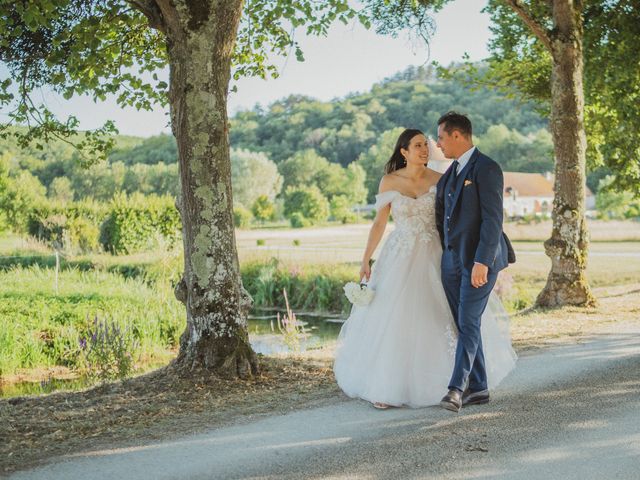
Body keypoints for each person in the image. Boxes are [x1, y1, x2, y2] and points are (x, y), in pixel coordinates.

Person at [333, 127, 516, 409]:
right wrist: (365, 258)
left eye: (426, 145)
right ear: (404, 151)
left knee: (444, 316)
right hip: (400, 255)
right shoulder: (389, 181)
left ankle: (456, 382)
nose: (425, 149)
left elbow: (453, 219)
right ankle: (387, 384)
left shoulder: (442, 180)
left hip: (437, 253)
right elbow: (379, 223)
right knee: (396, 317)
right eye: (417, 145)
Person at [435, 111, 516, 412]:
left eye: (441, 137)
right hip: (451, 262)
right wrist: (446, 255)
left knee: (468, 321)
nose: (439, 144)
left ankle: (456, 389)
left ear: (457, 135)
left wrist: (482, 261)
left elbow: (493, 220)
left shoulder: (487, 168)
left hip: (480, 261)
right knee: (463, 324)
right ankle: (479, 388)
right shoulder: (448, 175)